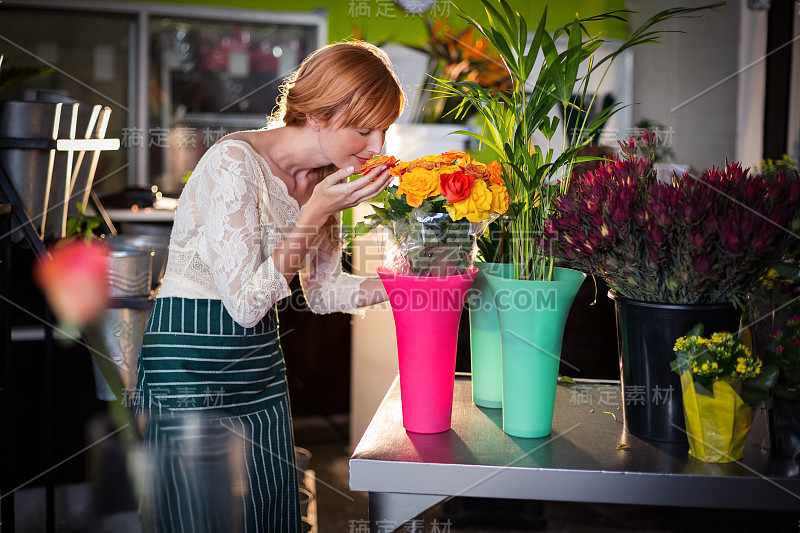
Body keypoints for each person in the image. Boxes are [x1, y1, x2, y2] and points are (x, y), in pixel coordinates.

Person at [134, 41, 404, 532]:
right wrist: (315, 212)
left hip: (259, 362)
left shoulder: (325, 179)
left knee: (274, 509)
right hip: (188, 361)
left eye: (383, 131)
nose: (376, 148)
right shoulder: (233, 161)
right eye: (363, 130)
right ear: (319, 113)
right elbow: (244, 303)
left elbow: (323, 291)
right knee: (196, 516)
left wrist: (405, 283)